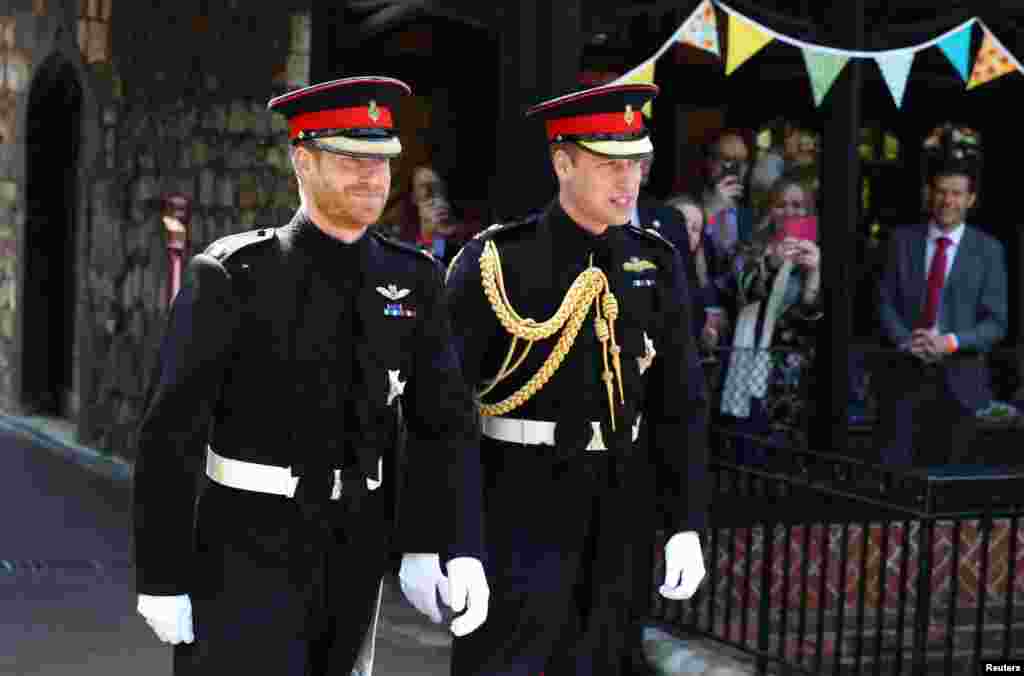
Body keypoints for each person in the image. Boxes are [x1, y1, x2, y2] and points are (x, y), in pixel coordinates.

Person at [132, 76, 489, 676]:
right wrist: (162, 577)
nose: (373, 176)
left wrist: (444, 544)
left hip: (354, 552)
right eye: (351, 159)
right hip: (247, 550)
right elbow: (170, 434)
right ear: (302, 159)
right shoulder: (232, 276)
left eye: (382, 160)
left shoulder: (413, 278)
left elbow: (445, 424)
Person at [445, 81, 709, 675]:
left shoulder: (656, 260)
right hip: (518, 506)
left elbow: (680, 405)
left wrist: (685, 522)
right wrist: (456, 542)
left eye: (636, 163)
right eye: (608, 164)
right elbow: (447, 416)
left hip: (621, 507)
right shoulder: (495, 262)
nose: (628, 181)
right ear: (562, 162)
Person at [875, 124, 1007, 468]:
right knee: (899, 474)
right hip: (904, 377)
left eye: (957, 193)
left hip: (961, 382)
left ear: (971, 199)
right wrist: (907, 341)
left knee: (951, 480)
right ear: (928, 194)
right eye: (941, 191)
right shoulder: (901, 241)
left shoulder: (988, 251)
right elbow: (885, 302)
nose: (947, 200)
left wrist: (949, 342)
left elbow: (996, 323)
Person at [719, 174, 822, 465]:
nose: (790, 212)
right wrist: (770, 262)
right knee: (748, 451)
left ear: (809, 211)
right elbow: (740, 292)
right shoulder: (749, 247)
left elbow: (812, 319)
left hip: (793, 373)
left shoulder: (817, 253)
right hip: (748, 362)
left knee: (789, 458)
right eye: (781, 205)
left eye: (798, 205)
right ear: (769, 211)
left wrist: (814, 272)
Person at [380, 164, 481, 267]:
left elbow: (439, 257)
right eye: (425, 185)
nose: (431, 191)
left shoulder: (451, 233)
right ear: (413, 195)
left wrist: (438, 235)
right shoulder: (398, 233)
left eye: (436, 185)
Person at [666, 193, 723, 350]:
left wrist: (706, 335)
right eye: (680, 223)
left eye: (695, 228)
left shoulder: (700, 285)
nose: (687, 232)